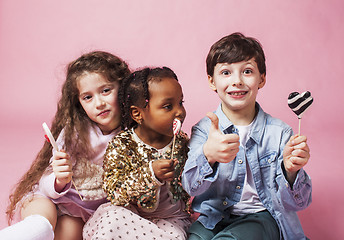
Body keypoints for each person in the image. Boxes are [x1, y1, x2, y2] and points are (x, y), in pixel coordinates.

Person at [182, 32, 312, 240]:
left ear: (262, 79)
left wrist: (291, 171)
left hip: (261, 218)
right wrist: (208, 155)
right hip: (213, 217)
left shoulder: (280, 133)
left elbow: (298, 203)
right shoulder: (205, 130)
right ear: (211, 81)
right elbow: (191, 187)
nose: (237, 81)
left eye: (247, 71)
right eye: (226, 72)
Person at [1, 51, 130, 240]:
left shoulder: (136, 133)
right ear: (79, 103)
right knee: (41, 223)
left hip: (81, 212)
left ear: (124, 87)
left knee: (70, 232)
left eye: (105, 91)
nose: (99, 103)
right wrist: (59, 179)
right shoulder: (76, 132)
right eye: (88, 97)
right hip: (49, 198)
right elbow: (45, 182)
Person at [83, 67, 192, 240]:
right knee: (111, 220)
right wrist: (150, 174)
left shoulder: (181, 142)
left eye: (181, 103)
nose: (179, 112)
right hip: (132, 216)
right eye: (168, 106)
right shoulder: (123, 144)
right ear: (137, 114)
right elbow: (114, 191)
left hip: (171, 220)